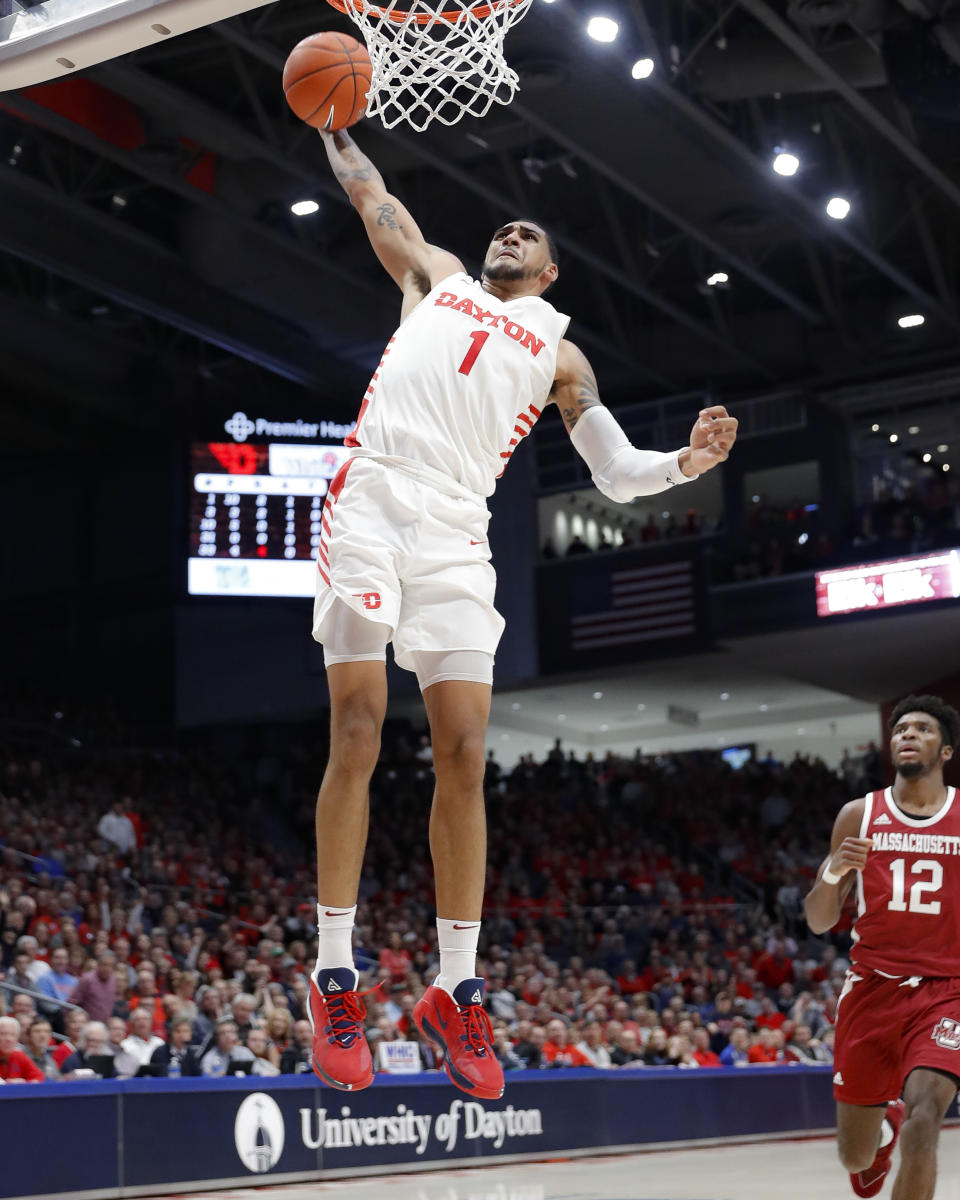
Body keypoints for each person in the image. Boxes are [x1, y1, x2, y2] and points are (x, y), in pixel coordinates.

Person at [306, 126, 739, 1101]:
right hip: (375, 492)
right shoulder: (438, 278)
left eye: (526, 233)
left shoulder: (558, 351)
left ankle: (455, 992)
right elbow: (372, 192)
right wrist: (333, 125)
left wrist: (686, 464)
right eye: (504, 225)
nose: (508, 231)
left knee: (463, 752)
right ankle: (334, 968)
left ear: (550, 269)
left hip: (459, 527)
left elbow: (617, 472)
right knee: (361, 721)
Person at [805, 694, 960, 1200]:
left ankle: (905, 1120)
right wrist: (835, 871)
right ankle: (882, 1126)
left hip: (947, 990)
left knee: (927, 1114)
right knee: (856, 1156)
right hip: (873, 990)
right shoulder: (859, 815)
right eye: (900, 730)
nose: (908, 735)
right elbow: (818, 919)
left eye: (922, 729)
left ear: (947, 751)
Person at [0, 1015, 43, 1082]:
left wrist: (23, 1082)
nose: (8, 1039)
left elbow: (38, 1077)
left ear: (17, 1038)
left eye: (13, 1034)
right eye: (3, 1034)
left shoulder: (19, 1055)